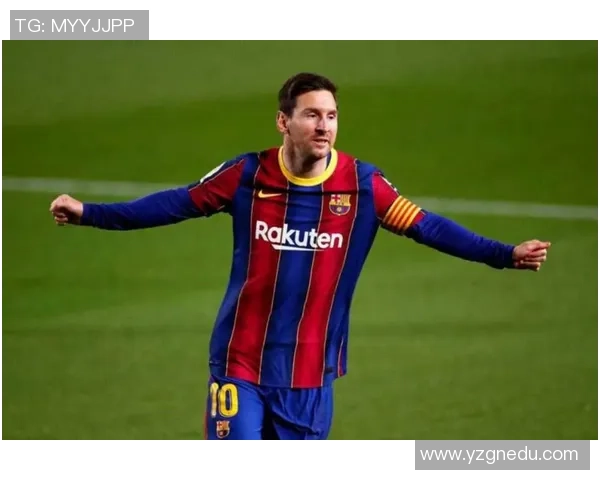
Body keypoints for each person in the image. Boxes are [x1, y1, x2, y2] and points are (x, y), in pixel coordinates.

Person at [49, 72, 550, 440]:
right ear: (283, 121)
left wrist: (504, 254)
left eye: (331, 116)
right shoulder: (248, 175)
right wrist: (90, 213)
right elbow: (175, 203)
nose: (324, 125)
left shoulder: (363, 186)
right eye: (311, 114)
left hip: (310, 372)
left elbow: (429, 227)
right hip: (240, 361)